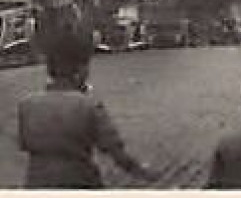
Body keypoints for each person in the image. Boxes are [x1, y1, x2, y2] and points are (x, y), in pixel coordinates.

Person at [17, 28, 158, 188]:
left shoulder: (27, 105)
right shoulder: (89, 105)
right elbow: (114, 149)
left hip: (37, 183)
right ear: (79, 70)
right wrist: (142, 171)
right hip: (79, 179)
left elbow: (24, 144)